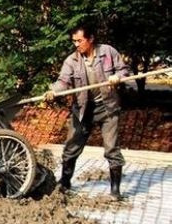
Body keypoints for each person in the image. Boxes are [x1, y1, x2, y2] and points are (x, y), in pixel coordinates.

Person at [44, 24, 129, 199]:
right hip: (83, 109)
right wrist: (53, 91)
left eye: (79, 41)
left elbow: (123, 70)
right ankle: (65, 182)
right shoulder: (71, 61)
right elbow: (63, 82)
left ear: (90, 39)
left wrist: (117, 77)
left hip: (108, 108)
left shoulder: (108, 52)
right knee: (71, 147)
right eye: (74, 41)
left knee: (111, 148)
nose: (76, 44)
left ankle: (115, 190)